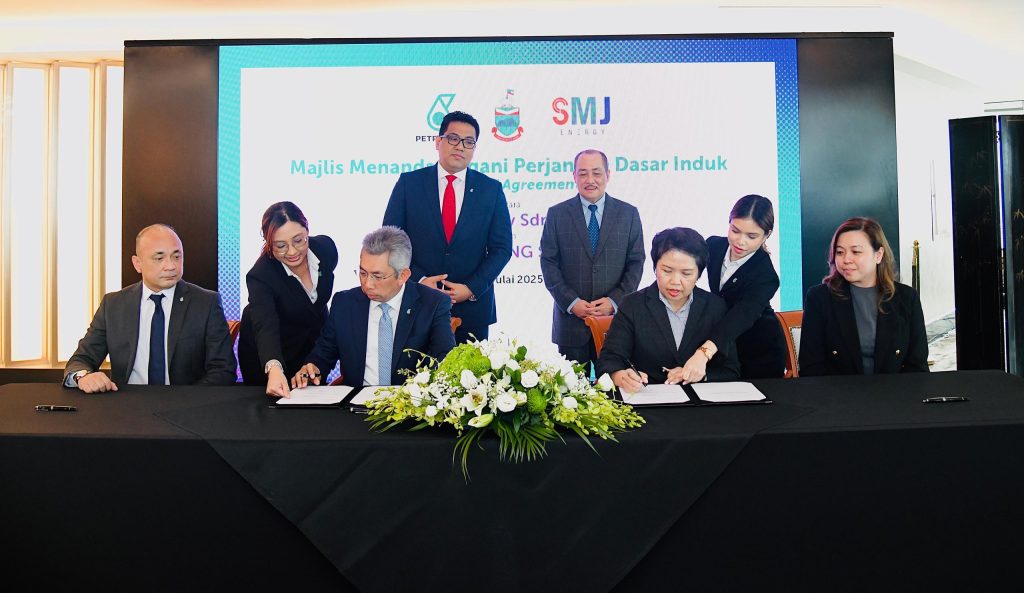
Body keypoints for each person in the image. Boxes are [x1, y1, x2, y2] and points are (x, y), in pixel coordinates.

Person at [382, 110, 513, 343]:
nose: (460, 146)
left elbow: (501, 249)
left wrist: (471, 288)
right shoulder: (409, 183)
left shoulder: (490, 190)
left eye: (468, 142)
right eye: (453, 138)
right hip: (418, 303)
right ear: (438, 141)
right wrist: (420, 280)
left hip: (472, 310)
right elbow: (391, 241)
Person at [63, 224, 236, 392]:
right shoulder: (114, 304)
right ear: (137, 263)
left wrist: (184, 401)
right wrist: (83, 376)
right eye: (159, 258)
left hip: (186, 404)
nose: (171, 266)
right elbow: (82, 359)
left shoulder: (206, 303)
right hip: (126, 403)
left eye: (177, 256)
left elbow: (223, 370)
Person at [291, 226, 456, 391]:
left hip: (411, 401)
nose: (367, 284)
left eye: (377, 276)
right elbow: (323, 355)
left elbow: (444, 360)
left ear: (403, 275)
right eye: (363, 273)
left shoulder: (432, 304)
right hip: (356, 402)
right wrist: (312, 368)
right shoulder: (345, 303)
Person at [598, 227, 740, 393]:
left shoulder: (715, 307)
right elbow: (608, 360)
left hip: (699, 402)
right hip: (647, 398)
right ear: (655, 267)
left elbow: (731, 370)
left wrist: (702, 375)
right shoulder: (632, 304)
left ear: (699, 274)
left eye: (686, 273)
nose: (675, 281)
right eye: (666, 271)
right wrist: (621, 376)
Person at [539, 149, 645, 371]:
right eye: (583, 173)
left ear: (608, 175)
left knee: (614, 388)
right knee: (571, 390)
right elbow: (549, 263)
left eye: (596, 173)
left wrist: (615, 301)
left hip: (615, 323)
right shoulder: (557, 214)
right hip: (571, 326)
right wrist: (571, 303)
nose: (590, 180)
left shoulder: (628, 214)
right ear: (574, 176)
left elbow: (636, 263)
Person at [800, 217, 928, 375]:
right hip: (837, 390)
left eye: (856, 252)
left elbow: (917, 366)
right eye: (840, 252)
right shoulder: (819, 298)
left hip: (895, 389)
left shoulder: (907, 298)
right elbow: (811, 367)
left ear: (878, 255)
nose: (846, 259)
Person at [679, 195, 787, 381]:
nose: (740, 241)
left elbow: (740, 316)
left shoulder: (766, 276)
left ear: (766, 235)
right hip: (722, 345)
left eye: (751, 236)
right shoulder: (713, 246)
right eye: (735, 230)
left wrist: (704, 352)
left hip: (758, 349)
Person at [237, 201, 338, 397]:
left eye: (299, 240)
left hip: (313, 351)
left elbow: (315, 304)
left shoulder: (326, 249)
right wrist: (274, 367)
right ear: (269, 243)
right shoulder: (261, 275)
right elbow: (265, 325)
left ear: (307, 230)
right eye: (281, 246)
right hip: (272, 352)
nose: (292, 252)